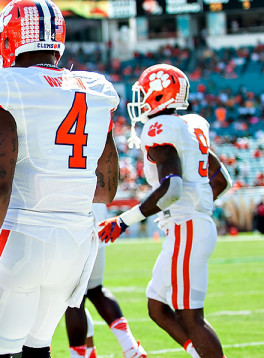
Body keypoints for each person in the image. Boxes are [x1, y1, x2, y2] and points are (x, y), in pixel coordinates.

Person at [0, 0, 120, 358]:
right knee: (37, 349)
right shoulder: (96, 90)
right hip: (75, 243)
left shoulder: (7, 83)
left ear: (9, 38)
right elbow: (106, 190)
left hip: (22, 237)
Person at [97, 64, 232, 358]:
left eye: (146, 92)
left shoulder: (161, 128)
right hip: (189, 225)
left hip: (187, 227)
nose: (142, 99)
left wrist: (123, 221)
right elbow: (221, 180)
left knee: (190, 316)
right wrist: (199, 206)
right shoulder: (190, 127)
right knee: (157, 306)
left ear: (160, 95)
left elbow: (171, 187)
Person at [65, 203, 147, 358]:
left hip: (74, 217)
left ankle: (79, 355)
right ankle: (130, 347)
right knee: (95, 290)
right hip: (98, 216)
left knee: (73, 297)